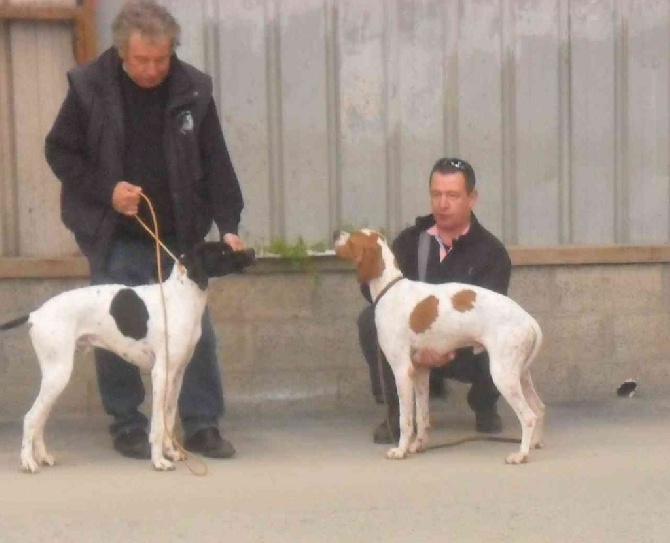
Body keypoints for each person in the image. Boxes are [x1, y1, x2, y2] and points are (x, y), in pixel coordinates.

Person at [44, 0, 244, 460]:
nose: (153, 69)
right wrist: (107, 191)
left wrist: (229, 226)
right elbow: (60, 152)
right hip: (114, 232)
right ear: (120, 52)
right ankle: (128, 424)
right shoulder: (89, 86)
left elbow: (217, 163)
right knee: (113, 331)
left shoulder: (193, 89)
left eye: (161, 59)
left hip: (180, 235)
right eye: (142, 60)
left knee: (195, 332)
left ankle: (200, 423)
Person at [358, 157, 512, 444]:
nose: (442, 204)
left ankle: (484, 404)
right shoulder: (410, 241)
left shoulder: (492, 253)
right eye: (436, 194)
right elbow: (375, 294)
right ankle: (396, 411)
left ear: (472, 198)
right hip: (413, 344)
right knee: (371, 320)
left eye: (452, 195)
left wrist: (446, 348)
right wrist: (368, 264)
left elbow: (491, 314)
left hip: (465, 350)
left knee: (499, 335)